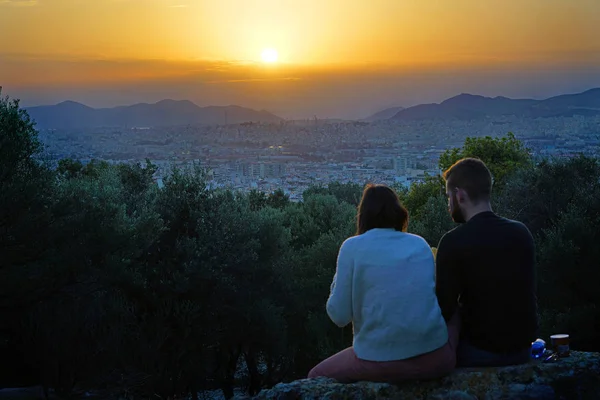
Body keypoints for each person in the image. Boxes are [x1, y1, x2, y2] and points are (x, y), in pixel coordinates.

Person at [308, 184, 459, 383]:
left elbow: (339, 316)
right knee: (457, 312)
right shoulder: (419, 243)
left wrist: (339, 278)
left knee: (314, 377)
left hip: (379, 363)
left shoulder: (352, 247)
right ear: (398, 213)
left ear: (362, 216)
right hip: (436, 359)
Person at [436, 157, 538, 367]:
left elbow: (443, 309)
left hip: (478, 351)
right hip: (522, 349)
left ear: (459, 195)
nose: (448, 205)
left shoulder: (453, 242)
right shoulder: (521, 232)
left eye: (448, 197)